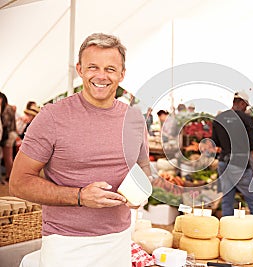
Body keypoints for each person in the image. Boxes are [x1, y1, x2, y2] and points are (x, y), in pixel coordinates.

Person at [9, 33, 151, 267]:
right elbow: (18, 182)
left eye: (110, 69)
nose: (101, 76)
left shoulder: (134, 119)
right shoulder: (52, 117)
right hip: (66, 242)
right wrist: (79, 196)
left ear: (122, 74)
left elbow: (143, 168)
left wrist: (140, 194)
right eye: (93, 67)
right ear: (80, 69)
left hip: (119, 239)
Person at [211, 91, 253, 234]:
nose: (246, 108)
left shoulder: (219, 118)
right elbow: (252, 145)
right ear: (241, 103)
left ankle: (227, 234)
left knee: (227, 200)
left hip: (223, 162)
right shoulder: (247, 119)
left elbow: (215, 142)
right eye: (246, 105)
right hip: (240, 163)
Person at [0, 92, 17, 183]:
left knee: (8, 158)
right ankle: (9, 176)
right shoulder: (9, 107)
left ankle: (11, 177)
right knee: (8, 158)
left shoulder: (6, 108)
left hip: (9, 135)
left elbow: (6, 123)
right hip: (11, 134)